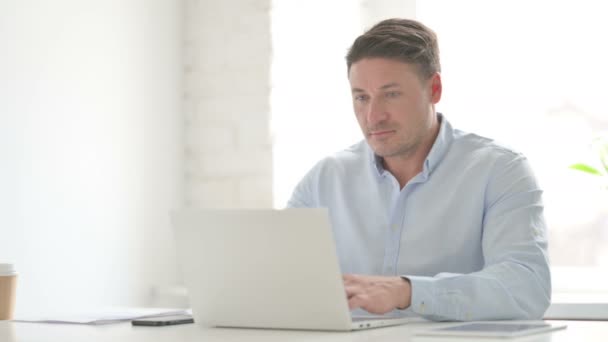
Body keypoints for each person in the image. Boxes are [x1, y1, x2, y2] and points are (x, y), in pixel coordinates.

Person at [287, 18, 551, 321]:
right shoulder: (324, 179)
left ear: (434, 89)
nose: (374, 116)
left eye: (392, 94)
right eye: (361, 97)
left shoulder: (500, 170)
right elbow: (276, 276)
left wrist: (407, 292)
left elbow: (527, 288)